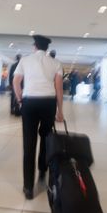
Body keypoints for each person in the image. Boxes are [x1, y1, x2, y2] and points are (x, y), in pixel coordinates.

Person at [13, 35, 64, 200]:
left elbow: (16, 81)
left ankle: (28, 187)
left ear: (34, 46)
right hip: (48, 103)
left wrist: (20, 99)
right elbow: (59, 88)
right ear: (47, 48)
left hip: (29, 103)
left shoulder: (25, 60)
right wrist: (60, 110)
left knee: (29, 143)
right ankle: (43, 169)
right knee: (46, 137)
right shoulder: (55, 63)